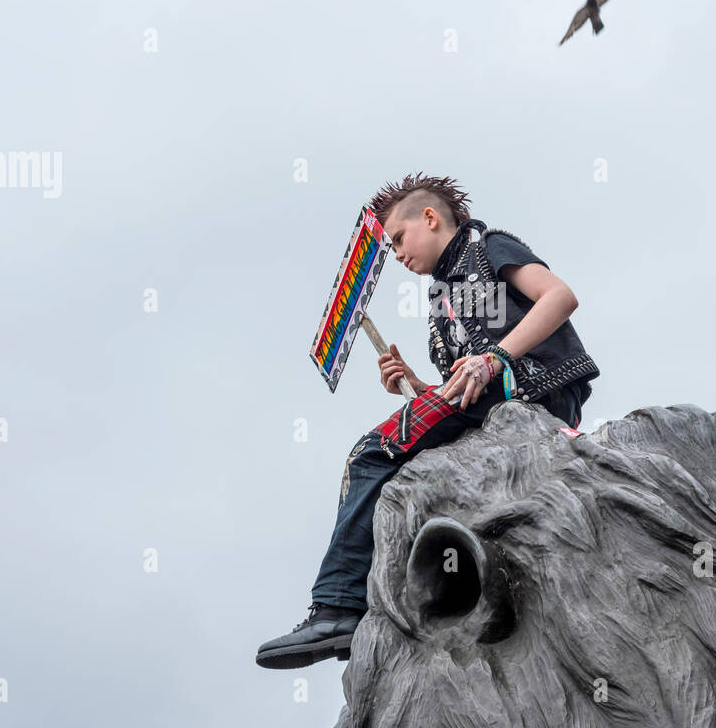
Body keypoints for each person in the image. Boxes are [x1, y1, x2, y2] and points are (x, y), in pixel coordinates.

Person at [256, 173, 600, 669]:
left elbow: (560, 297)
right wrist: (414, 386)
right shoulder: (443, 295)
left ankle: (336, 605)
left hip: (529, 386)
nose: (395, 253)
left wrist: (494, 358)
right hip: (487, 398)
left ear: (431, 218)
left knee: (372, 453)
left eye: (398, 238)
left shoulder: (489, 247)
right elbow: (456, 389)